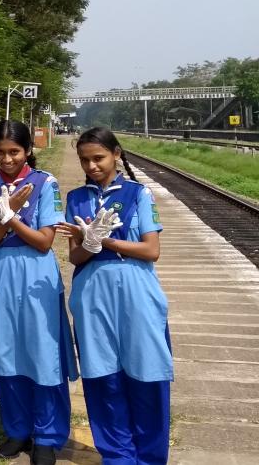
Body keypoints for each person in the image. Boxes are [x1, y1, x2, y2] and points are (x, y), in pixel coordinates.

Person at [57, 127, 172, 465]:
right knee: (101, 374)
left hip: (136, 292)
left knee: (146, 372)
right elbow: (75, 256)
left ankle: (149, 456)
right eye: (84, 160)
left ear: (116, 154)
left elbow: (151, 250)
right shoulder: (76, 198)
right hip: (92, 294)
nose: (91, 166)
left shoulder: (139, 194)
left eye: (98, 158)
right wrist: (89, 243)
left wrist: (103, 240)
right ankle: (117, 454)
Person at [0, 120, 77, 465]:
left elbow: (45, 242)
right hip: (0, 274)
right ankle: (17, 429)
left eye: (14, 151)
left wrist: (11, 215)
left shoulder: (45, 183)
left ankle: (47, 434)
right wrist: (5, 217)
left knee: (43, 354)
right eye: (0, 152)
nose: (7, 158)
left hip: (35, 276)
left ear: (28, 150)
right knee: (9, 354)